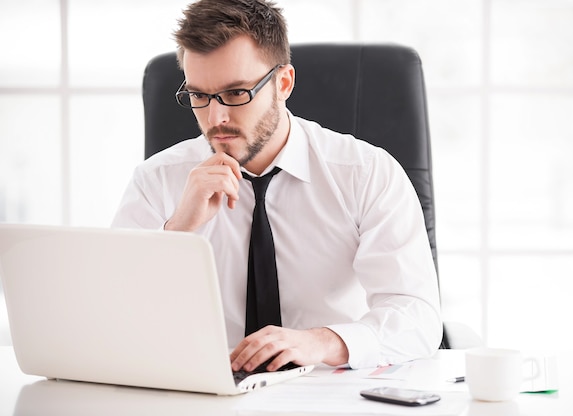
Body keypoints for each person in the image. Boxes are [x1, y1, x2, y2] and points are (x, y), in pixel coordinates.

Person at [112, 0, 442, 372]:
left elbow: (417, 317)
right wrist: (177, 231)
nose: (214, 117)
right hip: (205, 392)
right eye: (199, 97)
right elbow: (113, 320)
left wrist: (322, 341)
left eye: (236, 93)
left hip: (329, 388)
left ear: (283, 83)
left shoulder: (364, 173)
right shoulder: (157, 181)